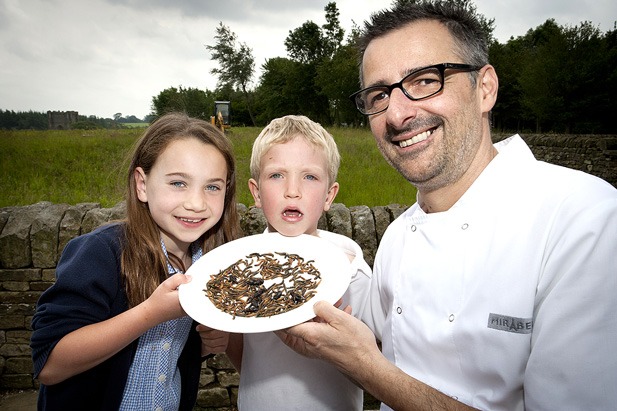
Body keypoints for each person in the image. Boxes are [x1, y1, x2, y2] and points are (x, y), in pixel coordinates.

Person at [276, 2, 617, 411]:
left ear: (485, 88)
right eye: (380, 94)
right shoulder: (400, 236)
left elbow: (375, 367)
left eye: (424, 80)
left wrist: (367, 367)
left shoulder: (585, 219)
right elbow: (380, 351)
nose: (398, 114)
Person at [30, 113, 240, 410]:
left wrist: (205, 344)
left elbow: (168, 354)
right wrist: (150, 314)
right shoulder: (102, 252)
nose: (196, 202)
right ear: (142, 184)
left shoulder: (206, 263)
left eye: (212, 187)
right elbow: (50, 364)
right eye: (179, 183)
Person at [225, 115, 372, 410]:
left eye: (310, 176)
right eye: (277, 175)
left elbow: (372, 368)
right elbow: (243, 350)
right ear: (256, 192)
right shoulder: (240, 267)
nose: (293, 190)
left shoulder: (353, 274)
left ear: (329, 195)